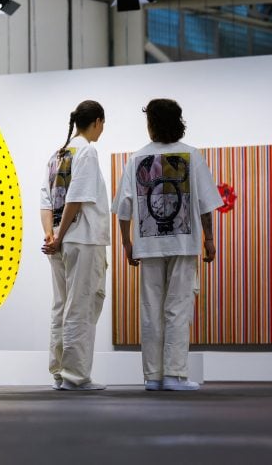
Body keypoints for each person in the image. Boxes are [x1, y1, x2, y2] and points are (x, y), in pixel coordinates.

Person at [113, 99, 220, 391]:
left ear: (153, 124)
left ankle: (154, 377)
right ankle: (174, 374)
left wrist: (127, 243)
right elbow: (204, 204)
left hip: (148, 246)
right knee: (178, 307)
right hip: (184, 244)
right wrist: (209, 239)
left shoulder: (136, 159)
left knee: (150, 308)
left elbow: (123, 208)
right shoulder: (192, 155)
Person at [40, 100, 109, 391]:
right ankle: (76, 376)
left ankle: (59, 372)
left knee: (61, 306)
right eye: (102, 124)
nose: (102, 129)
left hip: (57, 242)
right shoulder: (87, 151)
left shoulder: (57, 155)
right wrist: (63, 234)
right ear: (96, 121)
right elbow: (76, 198)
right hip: (82, 239)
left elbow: (46, 200)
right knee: (80, 306)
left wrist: (51, 235)